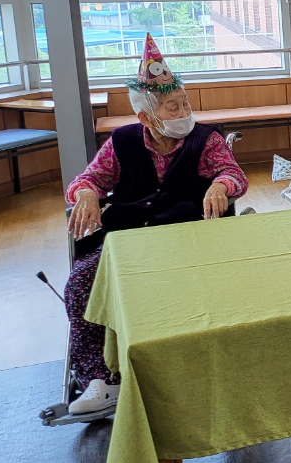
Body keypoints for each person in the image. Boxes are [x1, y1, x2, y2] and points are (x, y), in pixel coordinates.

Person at [64, 35, 248, 415]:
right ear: (146, 117)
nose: (185, 111)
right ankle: (101, 379)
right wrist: (86, 194)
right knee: (81, 283)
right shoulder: (122, 142)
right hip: (127, 239)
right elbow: (89, 179)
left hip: (186, 236)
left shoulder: (206, 140)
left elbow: (234, 174)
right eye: (173, 106)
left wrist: (220, 185)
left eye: (185, 102)